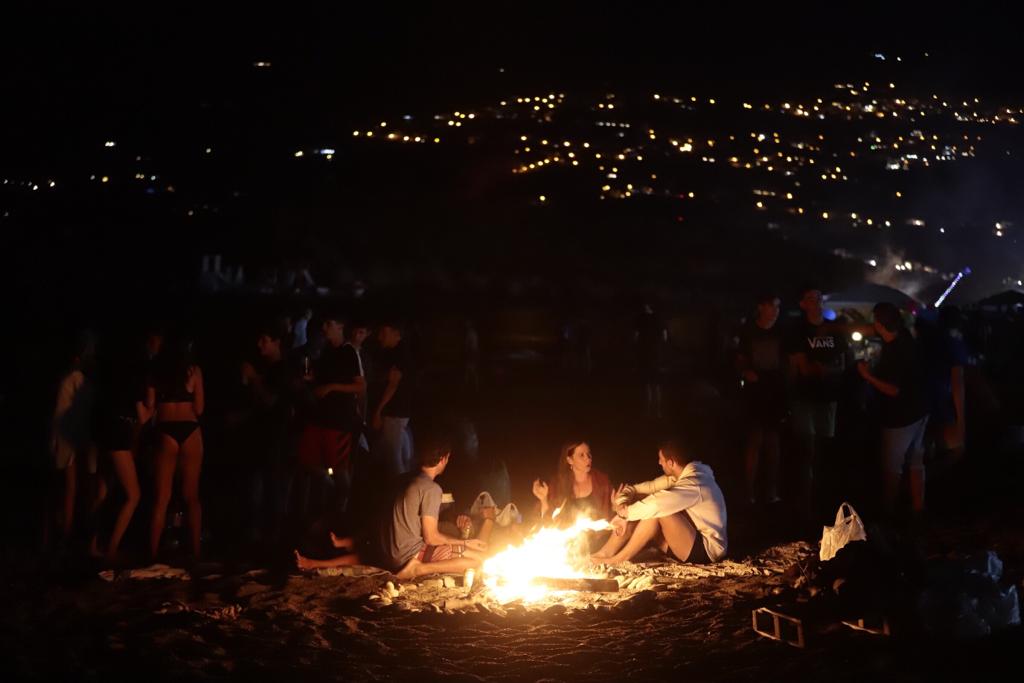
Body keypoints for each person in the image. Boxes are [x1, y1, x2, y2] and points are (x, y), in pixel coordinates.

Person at [592, 438, 727, 565]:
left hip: (706, 552)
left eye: (661, 459)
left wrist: (624, 515)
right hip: (687, 542)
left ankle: (617, 560)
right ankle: (604, 553)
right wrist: (622, 504)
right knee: (643, 503)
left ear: (671, 463)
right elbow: (638, 489)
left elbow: (657, 504)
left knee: (658, 510)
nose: (659, 462)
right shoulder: (679, 477)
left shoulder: (694, 483)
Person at [377, 437, 487, 579]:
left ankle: (419, 565)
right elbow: (431, 538)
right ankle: (417, 569)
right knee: (477, 561)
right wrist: (465, 542)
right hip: (405, 557)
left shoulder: (402, 479)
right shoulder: (431, 489)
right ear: (443, 459)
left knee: (472, 553)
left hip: (386, 552)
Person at [857, 303, 929, 516]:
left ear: (879, 324)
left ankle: (889, 511)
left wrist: (867, 376)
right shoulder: (907, 340)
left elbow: (893, 390)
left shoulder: (896, 350)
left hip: (900, 416)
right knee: (916, 461)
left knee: (891, 467)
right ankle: (919, 508)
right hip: (920, 410)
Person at [785, 286, 847, 518]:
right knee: (806, 448)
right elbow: (801, 366)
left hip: (828, 397)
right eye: (811, 298)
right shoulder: (798, 331)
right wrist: (820, 369)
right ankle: (805, 500)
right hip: (804, 397)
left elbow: (841, 363)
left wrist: (823, 369)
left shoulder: (834, 330)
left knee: (825, 447)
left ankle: (824, 496)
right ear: (803, 304)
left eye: (819, 298)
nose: (816, 302)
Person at [296, 314, 365, 515]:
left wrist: (331, 387)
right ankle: (321, 507)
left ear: (340, 326)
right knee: (307, 462)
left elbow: (359, 386)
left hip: (339, 421)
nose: (325, 328)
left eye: (329, 323)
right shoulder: (326, 351)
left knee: (339, 469)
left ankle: (341, 510)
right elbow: (320, 378)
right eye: (324, 323)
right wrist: (311, 379)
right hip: (319, 418)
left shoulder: (349, 352)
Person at [94, 333, 153, 560]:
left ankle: (91, 544)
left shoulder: (109, 379)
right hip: (118, 438)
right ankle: (111, 548)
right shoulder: (135, 380)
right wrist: (152, 409)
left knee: (102, 491)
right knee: (133, 495)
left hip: (104, 435)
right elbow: (143, 416)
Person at [147, 334, 205, 560]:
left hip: (166, 430)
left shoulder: (155, 371)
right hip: (190, 430)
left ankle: (152, 554)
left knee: (162, 498)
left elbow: (151, 406)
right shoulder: (194, 371)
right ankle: (196, 553)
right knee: (191, 496)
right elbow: (199, 409)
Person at [240, 321, 294, 543]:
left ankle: (272, 538)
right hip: (262, 438)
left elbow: (272, 401)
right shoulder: (267, 369)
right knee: (258, 489)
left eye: (265, 340)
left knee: (272, 489)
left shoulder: (282, 370)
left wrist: (254, 379)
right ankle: (258, 535)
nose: (259, 344)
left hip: (277, 440)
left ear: (276, 343)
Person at [48, 331, 98, 549]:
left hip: (74, 439)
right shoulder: (75, 380)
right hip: (71, 439)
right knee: (70, 488)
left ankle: (69, 534)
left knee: (73, 488)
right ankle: (66, 535)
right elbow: (64, 415)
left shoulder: (74, 380)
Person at [736, 293, 785, 505]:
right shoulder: (748, 331)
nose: (775, 311)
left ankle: (771, 491)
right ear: (761, 308)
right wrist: (745, 372)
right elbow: (739, 360)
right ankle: (749, 492)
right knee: (754, 442)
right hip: (755, 394)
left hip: (775, 393)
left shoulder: (781, 332)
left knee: (773, 443)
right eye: (772, 306)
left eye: (778, 307)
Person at [532, 441, 612, 526]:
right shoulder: (558, 484)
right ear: (570, 460)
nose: (588, 458)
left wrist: (618, 505)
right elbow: (547, 521)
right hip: (570, 536)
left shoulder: (601, 481)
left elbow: (612, 510)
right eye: (582, 455)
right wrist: (543, 499)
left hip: (599, 534)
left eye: (589, 453)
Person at [371, 321, 414, 477]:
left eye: (384, 332)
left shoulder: (399, 354)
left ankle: (399, 492)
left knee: (394, 457)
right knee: (399, 455)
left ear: (396, 333)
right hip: (400, 412)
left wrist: (378, 411)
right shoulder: (396, 353)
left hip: (395, 411)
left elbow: (393, 384)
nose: (380, 337)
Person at [635, 304, 668, 418]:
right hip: (657, 356)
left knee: (647, 385)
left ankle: (647, 412)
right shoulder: (659, 318)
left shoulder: (641, 319)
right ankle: (658, 412)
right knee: (657, 385)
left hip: (645, 356)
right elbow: (665, 337)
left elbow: (635, 337)